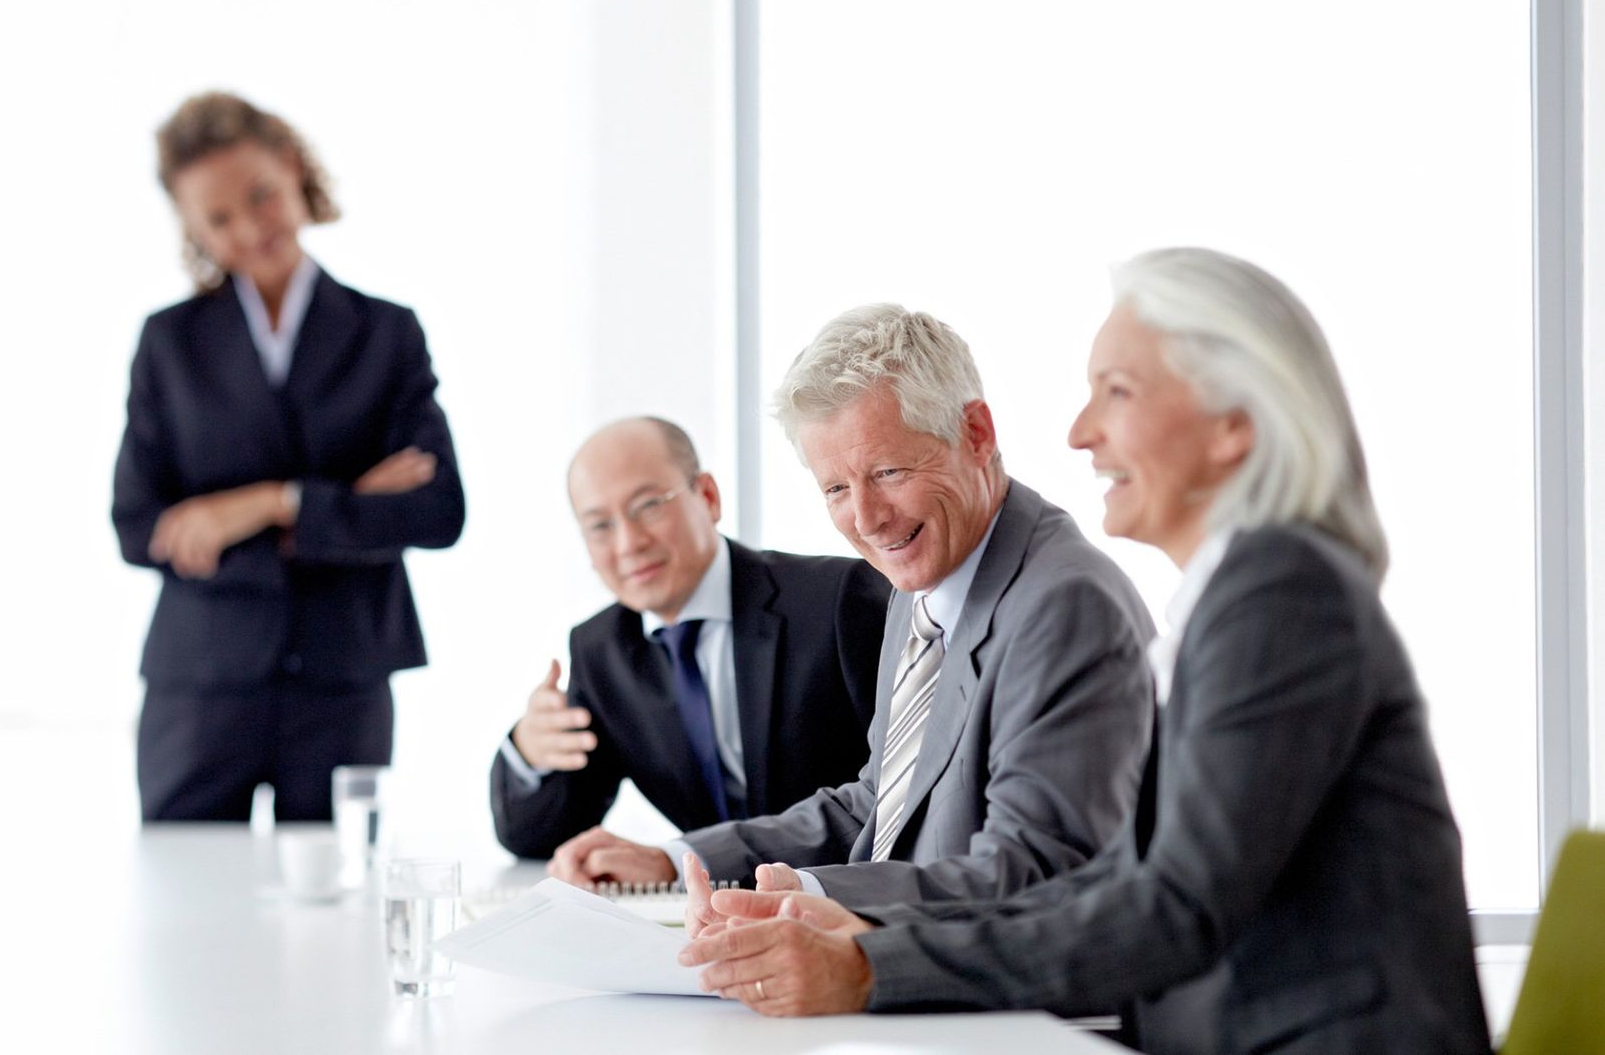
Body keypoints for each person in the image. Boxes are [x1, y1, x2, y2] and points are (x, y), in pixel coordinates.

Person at [679, 249, 1493, 1055]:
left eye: (1119, 391)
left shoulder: (1280, 596)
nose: (1079, 432)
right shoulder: (1237, 596)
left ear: (1234, 423)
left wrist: (865, 964)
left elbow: (1170, 907)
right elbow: (1128, 885)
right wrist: (853, 930)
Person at [548, 306, 1155, 909]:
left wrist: (811, 896)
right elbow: (877, 801)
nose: (867, 521)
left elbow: (1031, 875)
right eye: (836, 489)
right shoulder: (925, 586)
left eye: (888, 472)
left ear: (977, 434)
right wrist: (680, 862)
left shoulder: (1062, 604)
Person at [112, 92, 465, 822]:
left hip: (342, 680)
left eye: (261, 195)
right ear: (192, 227)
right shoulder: (169, 343)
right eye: (218, 218)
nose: (248, 228)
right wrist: (344, 504)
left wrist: (265, 504)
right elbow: (139, 525)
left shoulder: (385, 333)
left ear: (296, 170)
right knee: (187, 909)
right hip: (200, 685)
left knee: (336, 915)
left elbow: (435, 510)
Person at [490, 417, 891, 859]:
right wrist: (528, 752)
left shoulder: (836, 600)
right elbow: (538, 836)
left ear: (708, 496)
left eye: (647, 506)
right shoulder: (600, 650)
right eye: (600, 526)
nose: (628, 544)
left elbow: (900, 795)